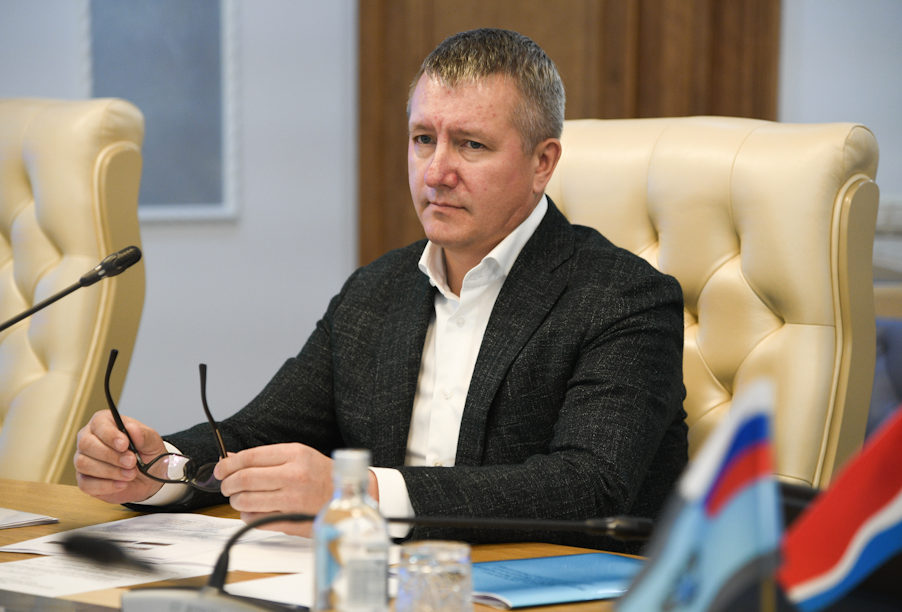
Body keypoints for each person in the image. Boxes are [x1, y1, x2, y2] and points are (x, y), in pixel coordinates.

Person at [75, 28, 687, 553]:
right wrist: (156, 469)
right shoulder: (377, 290)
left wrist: (357, 493)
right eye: (423, 139)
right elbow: (259, 433)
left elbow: (587, 486)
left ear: (542, 163)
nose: (436, 172)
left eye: (471, 145)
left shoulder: (625, 298)